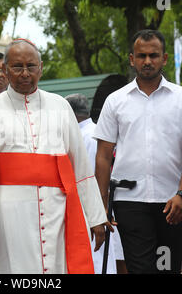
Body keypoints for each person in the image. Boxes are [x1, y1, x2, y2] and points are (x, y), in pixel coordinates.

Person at [0, 39, 108, 274]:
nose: (25, 73)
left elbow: (81, 168)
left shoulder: (60, 107)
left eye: (31, 66)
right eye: (17, 67)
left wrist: (96, 216)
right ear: (4, 69)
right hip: (9, 214)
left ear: (41, 68)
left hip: (57, 212)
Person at [94, 29, 182, 274]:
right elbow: (103, 157)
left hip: (172, 203)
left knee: (167, 269)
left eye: (153, 55)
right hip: (130, 203)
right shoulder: (116, 100)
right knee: (140, 269)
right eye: (141, 56)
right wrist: (100, 206)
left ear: (165, 58)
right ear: (131, 59)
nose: (147, 61)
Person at [65, 93, 117, 274]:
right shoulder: (98, 133)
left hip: (87, 204)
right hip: (101, 202)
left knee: (94, 255)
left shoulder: (76, 137)